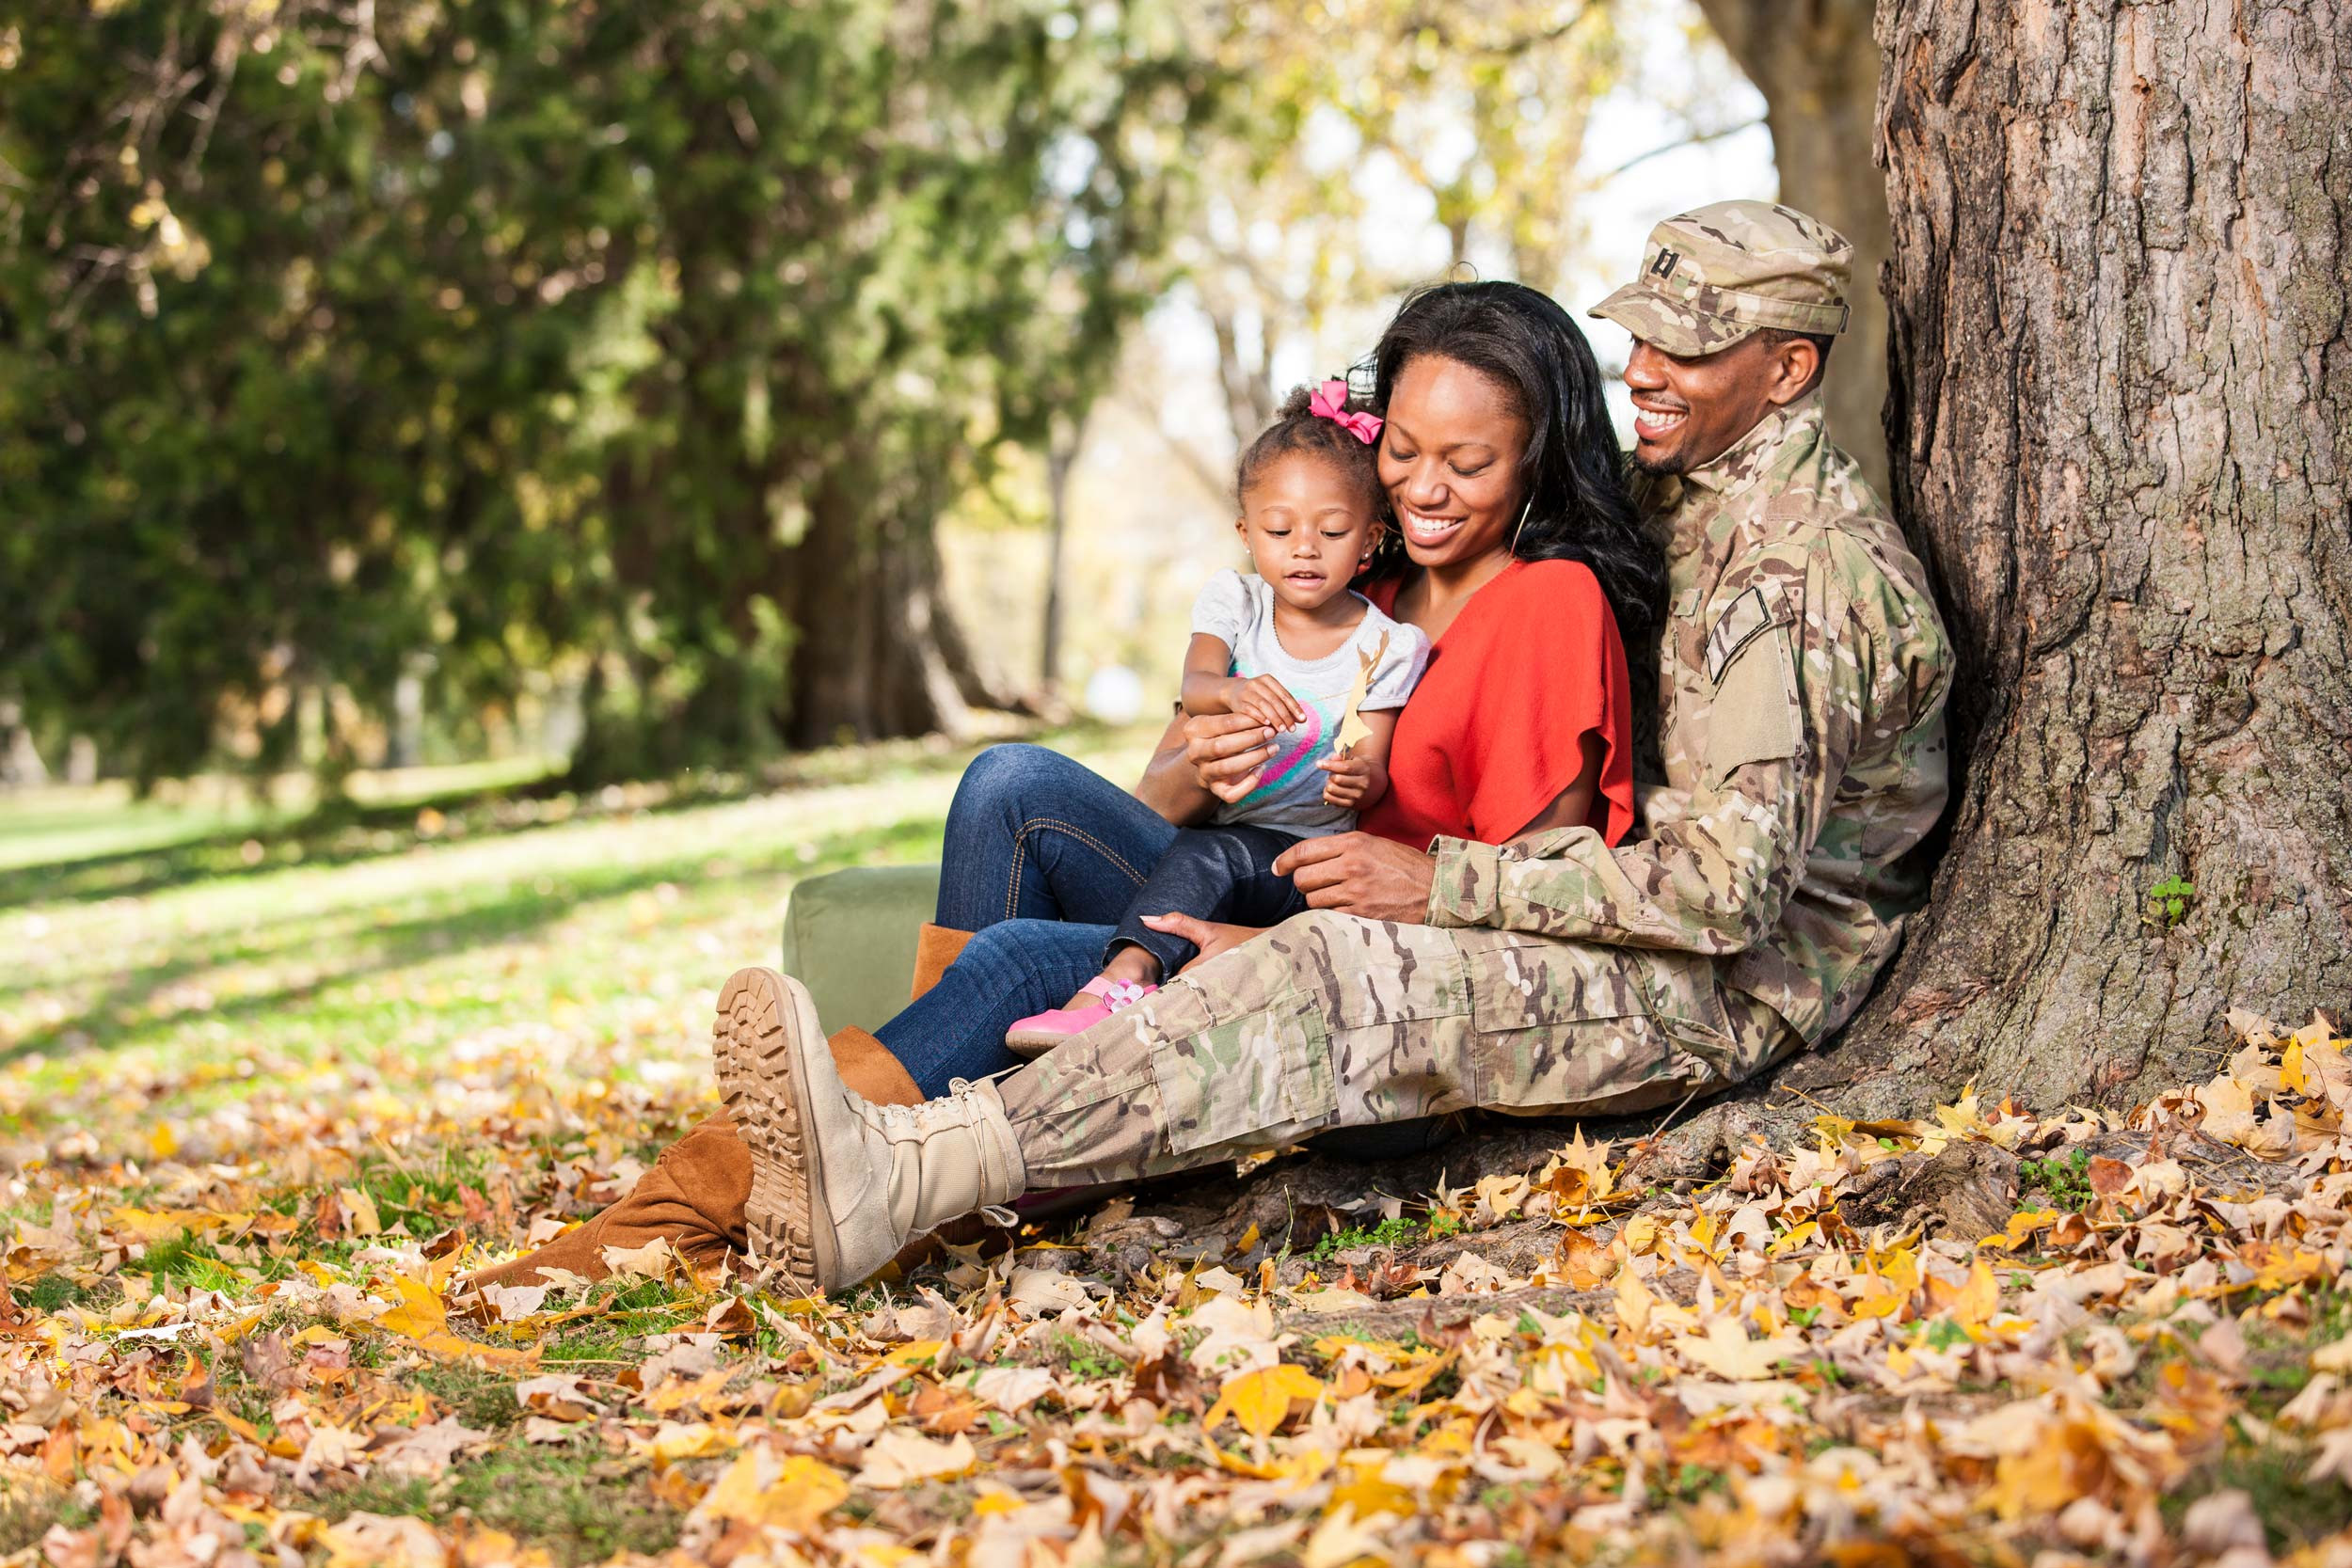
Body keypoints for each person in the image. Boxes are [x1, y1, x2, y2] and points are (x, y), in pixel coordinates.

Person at [707, 199, 1956, 1296]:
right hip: (1497, 900)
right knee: (1019, 793)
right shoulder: (1663, 501)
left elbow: (1725, 894)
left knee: (1123, 960)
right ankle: (838, 1175)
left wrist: (1425, 884)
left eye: (1688, 345)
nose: (1644, 367)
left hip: (1720, 988)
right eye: (1637, 336)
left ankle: (868, 1176)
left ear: (1788, 369)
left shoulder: (1801, 573)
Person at [466, 277, 1657, 1291]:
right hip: (1232, 870)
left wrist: (1288, 938)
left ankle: (664, 1223)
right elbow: (1170, 795)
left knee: (1019, 962)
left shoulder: (1548, 602)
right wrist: (1208, 754)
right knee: (1007, 783)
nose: (1424, 487)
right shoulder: (1361, 582)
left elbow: (1543, 894)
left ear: (1538, 455)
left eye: (1468, 461)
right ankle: (918, 1177)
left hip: (1338, 958)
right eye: (1401, 451)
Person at [1004, 380, 1433, 1052]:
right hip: (1197, 839)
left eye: (1332, 530)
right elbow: (1198, 683)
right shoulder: (1235, 604)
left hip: (1292, 863)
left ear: (1371, 539)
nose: (1304, 548)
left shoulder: (1388, 644)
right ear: (1246, 532)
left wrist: (1358, 779)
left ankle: (1123, 980)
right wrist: (1232, 693)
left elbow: (1372, 765)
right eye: (1279, 529)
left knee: (1217, 851)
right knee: (1027, 789)